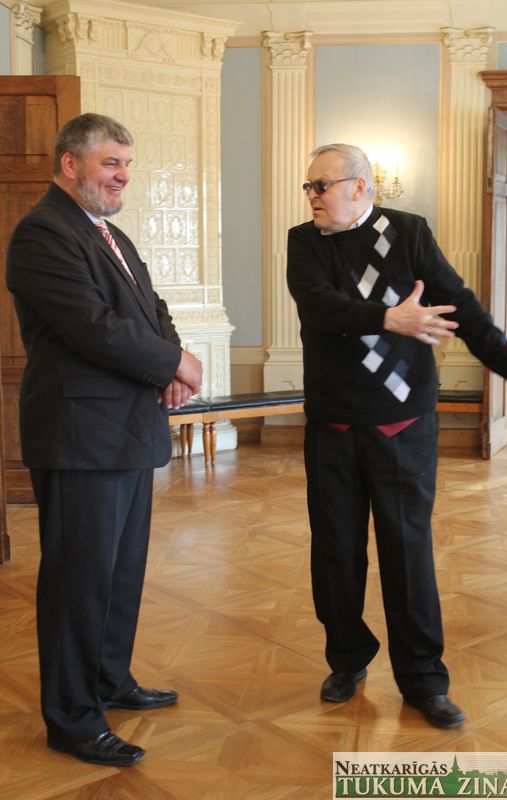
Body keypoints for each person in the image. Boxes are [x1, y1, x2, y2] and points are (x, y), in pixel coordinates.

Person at [287, 143, 507, 729]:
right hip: (334, 424)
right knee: (336, 551)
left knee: (407, 552)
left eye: (322, 185)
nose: (312, 197)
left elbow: (460, 304)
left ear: (361, 187)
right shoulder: (305, 242)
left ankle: (423, 679)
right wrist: (388, 317)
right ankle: (347, 658)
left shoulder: (409, 232)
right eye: (309, 187)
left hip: (403, 424)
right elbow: (318, 306)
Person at [6, 113, 202, 766]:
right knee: (78, 584)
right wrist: (174, 363)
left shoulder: (108, 234)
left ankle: (111, 680)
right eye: (111, 163)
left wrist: (172, 361)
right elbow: (93, 327)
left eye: (127, 164)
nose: (123, 176)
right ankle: (71, 718)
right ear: (70, 164)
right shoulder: (42, 233)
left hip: (125, 430)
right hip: (79, 437)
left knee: (119, 574)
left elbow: (151, 310)